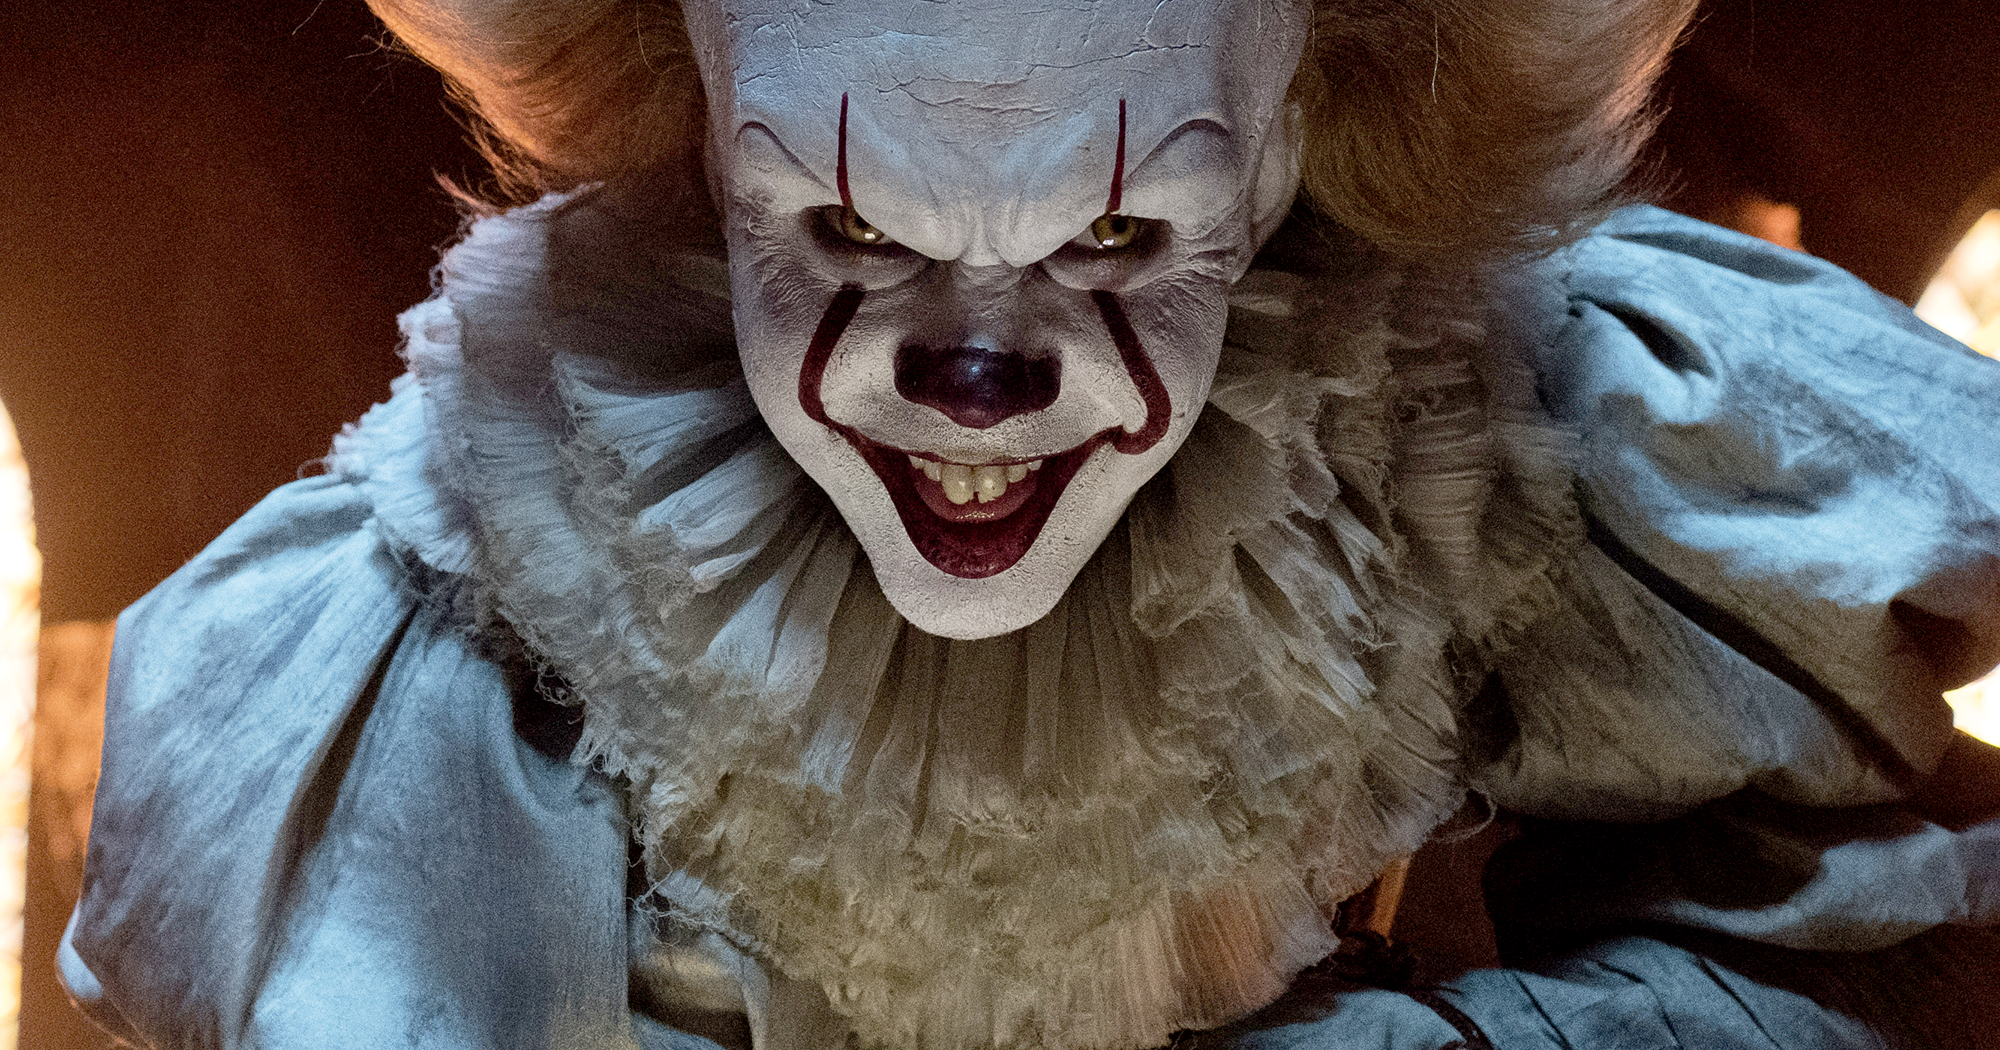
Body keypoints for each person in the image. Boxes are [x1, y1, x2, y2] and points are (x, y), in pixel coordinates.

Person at [62, 1, 2000, 1047]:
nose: (977, 384)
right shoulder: (484, 566)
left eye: (1115, 233)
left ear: (1295, 145)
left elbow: (1894, 932)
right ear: (703, 142)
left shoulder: (1492, 431)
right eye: (846, 227)